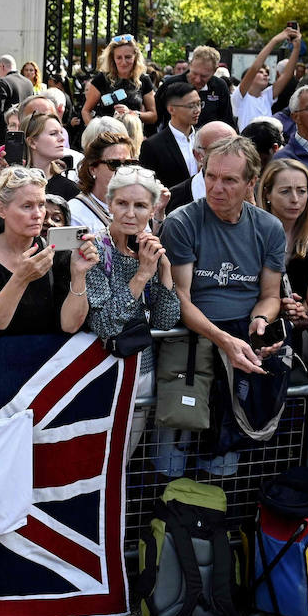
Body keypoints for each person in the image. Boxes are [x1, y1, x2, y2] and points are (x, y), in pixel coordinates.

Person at [159, 136, 285, 477]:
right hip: (189, 345)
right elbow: (181, 297)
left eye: (229, 180)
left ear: (250, 183)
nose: (216, 187)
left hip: (242, 343)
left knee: (224, 459)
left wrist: (260, 320)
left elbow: (271, 294)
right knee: (171, 456)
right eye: (210, 176)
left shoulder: (269, 228)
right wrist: (222, 339)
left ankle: (210, 524)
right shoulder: (183, 222)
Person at [84, 165, 178, 453]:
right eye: (122, 203)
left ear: (152, 210)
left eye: (140, 205)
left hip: (143, 368)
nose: (130, 213)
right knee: (98, 458)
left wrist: (164, 270)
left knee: (124, 461)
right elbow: (104, 324)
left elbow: (166, 320)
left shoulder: (148, 249)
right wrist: (140, 277)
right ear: (109, 204)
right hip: (102, 369)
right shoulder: (95, 248)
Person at [0, 166, 97, 339]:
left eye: (41, 205)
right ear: (1, 209)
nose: (38, 215)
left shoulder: (57, 255)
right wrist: (21, 278)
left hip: (44, 363)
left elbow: (70, 325)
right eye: (27, 206)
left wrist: (78, 274)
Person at [257, 159, 308, 302]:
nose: (295, 199)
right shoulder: (251, 236)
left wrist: (300, 310)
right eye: (285, 191)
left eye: (302, 191)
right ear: (267, 194)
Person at [233, 26, 300, 129]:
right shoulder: (240, 97)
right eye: (260, 72)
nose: (266, 74)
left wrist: (296, 47)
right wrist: (275, 40)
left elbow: (287, 75)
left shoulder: (266, 97)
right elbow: (255, 67)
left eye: (267, 73)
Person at [74, 130, 140, 235]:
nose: (122, 170)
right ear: (93, 169)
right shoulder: (75, 212)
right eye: (114, 164)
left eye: (128, 163)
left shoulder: (138, 206)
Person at [140, 82, 200, 192]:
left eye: (199, 104)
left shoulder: (204, 138)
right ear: (171, 109)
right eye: (191, 106)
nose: (197, 110)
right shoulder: (153, 146)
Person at [0, 55, 34, 142]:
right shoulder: (28, 83)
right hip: (25, 131)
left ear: (2, 66)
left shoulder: (3, 82)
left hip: (6, 133)